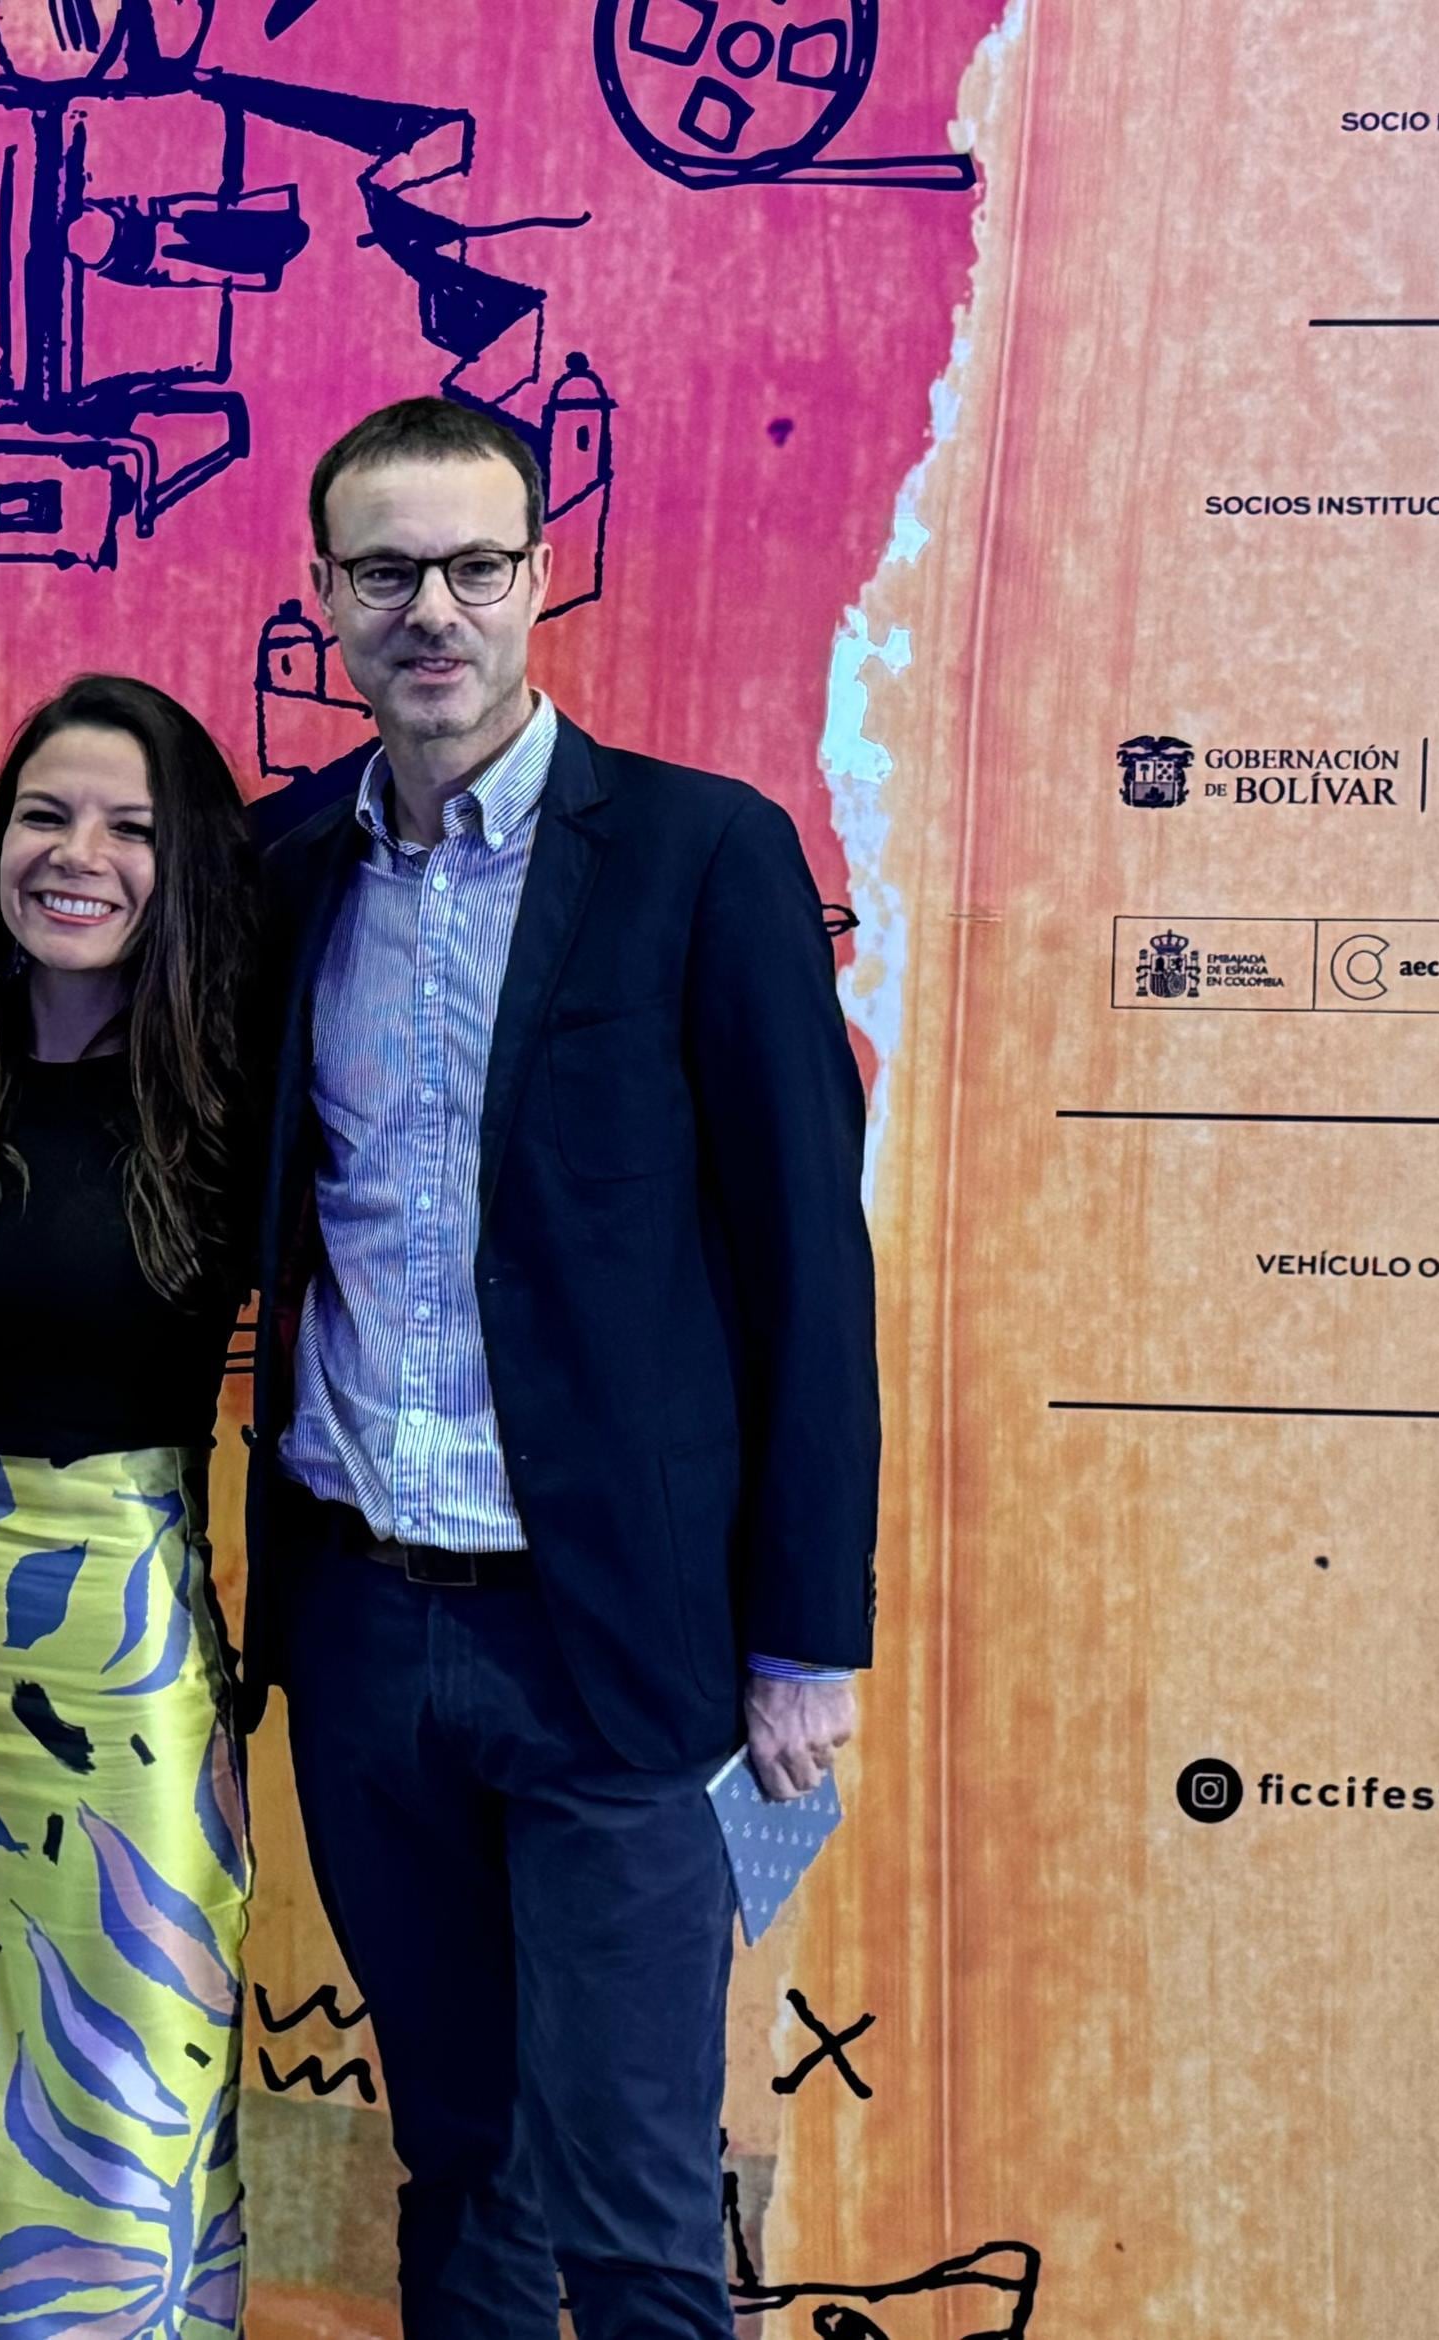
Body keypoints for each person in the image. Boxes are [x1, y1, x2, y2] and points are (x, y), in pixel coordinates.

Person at [249, 398, 879, 2338]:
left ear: (537, 580)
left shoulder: (697, 855)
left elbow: (805, 1268)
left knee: (627, 2198)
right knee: (461, 2163)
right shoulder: (277, 869)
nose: (429, 609)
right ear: (326, 601)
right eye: (384, 572)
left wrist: (804, 1642)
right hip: (364, 1629)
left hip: (614, 1643)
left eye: (472, 566)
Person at [0, 676, 259, 2339]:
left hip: (133, 1670)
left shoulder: (238, 1099)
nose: (77, 854)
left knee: (124, 2119)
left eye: (131, 830)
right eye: (44, 814)